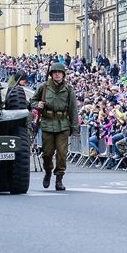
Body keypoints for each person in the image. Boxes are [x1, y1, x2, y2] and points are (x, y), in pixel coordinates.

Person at [32, 62, 79, 191]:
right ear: (51, 74)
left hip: (63, 124)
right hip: (47, 122)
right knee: (47, 153)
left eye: (59, 72)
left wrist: (75, 129)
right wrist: (38, 105)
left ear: (63, 74)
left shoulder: (68, 89)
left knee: (62, 154)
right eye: (54, 72)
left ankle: (59, 178)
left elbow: (73, 110)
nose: (57, 74)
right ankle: (48, 171)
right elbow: (32, 100)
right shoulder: (44, 87)